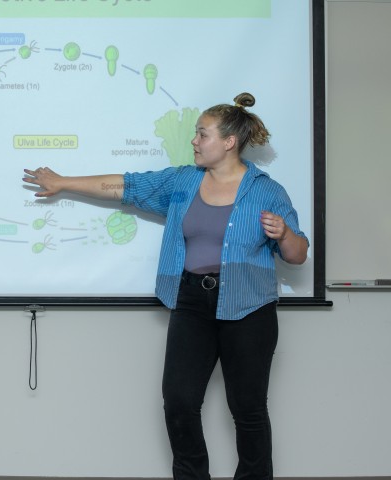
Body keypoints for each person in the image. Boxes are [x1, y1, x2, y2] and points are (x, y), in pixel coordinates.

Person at [22, 92, 308, 480]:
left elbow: (297, 254)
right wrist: (62, 182)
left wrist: (286, 232)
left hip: (248, 306)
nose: (194, 140)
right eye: (195, 133)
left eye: (202, 134)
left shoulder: (266, 189)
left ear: (229, 142)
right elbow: (125, 186)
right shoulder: (182, 181)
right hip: (191, 301)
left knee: (249, 409)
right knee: (178, 402)